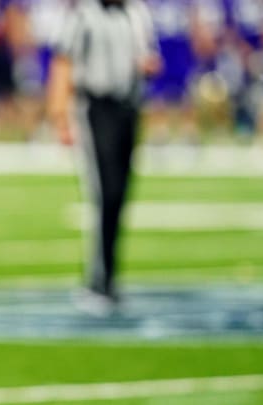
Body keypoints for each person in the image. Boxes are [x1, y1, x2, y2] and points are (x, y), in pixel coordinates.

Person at [46, 0, 161, 316]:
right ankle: (97, 280)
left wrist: (147, 65)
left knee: (120, 194)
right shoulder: (84, 14)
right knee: (104, 193)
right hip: (96, 108)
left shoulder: (137, 12)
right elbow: (63, 61)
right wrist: (60, 115)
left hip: (129, 108)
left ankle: (110, 278)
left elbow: (146, 55)